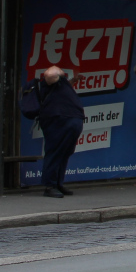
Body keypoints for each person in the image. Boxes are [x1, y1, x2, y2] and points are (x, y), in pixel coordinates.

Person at [32, 65, 85, 198]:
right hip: (57, 120)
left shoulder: (60, 85)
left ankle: (58, 183)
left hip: (72, 119)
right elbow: (50, 73)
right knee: (55, 151)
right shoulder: (50, 79)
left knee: (65, 152)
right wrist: (61, 72)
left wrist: (70, 82)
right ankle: (50, 185)